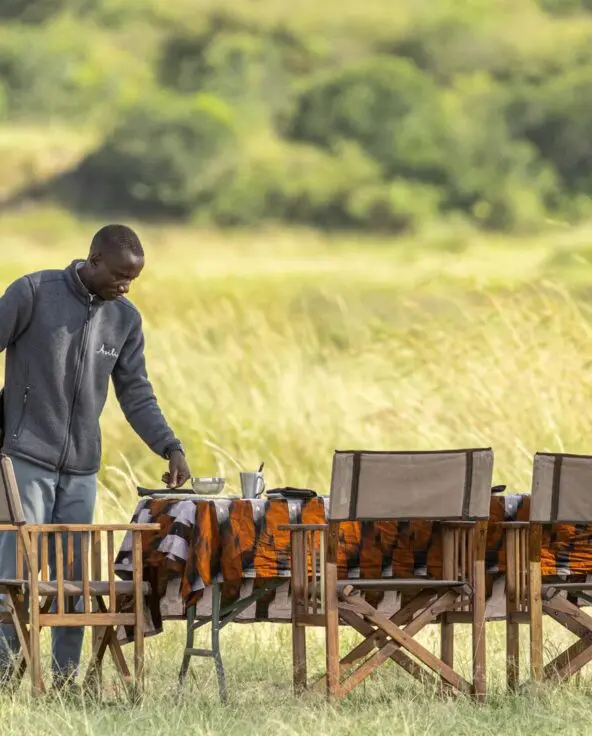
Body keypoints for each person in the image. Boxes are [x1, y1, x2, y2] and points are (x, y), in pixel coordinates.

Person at [0, 224, 191, 691]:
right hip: (25, 458)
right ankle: (4, 678)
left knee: (75, 582)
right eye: (121, 276)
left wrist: (170, 446)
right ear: (95, 258)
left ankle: (63, 685)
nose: (125, 287)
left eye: (134, 280)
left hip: (81, 470)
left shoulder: (124, 319)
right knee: (14, 576)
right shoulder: (32, 292)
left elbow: (136, 393)